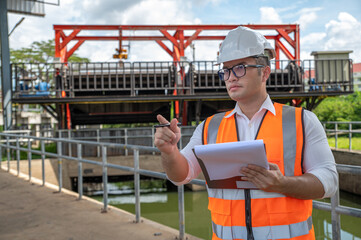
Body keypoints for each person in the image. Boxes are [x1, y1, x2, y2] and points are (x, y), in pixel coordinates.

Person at [154, 26, 338, 240]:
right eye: (226, 70)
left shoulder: (302, 121)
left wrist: (282, 184)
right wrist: (169, 152)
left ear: (265, 72)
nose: (231, 77)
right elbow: (180, 176)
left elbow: (329, 181)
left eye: (240, 68)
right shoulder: (209, 127)